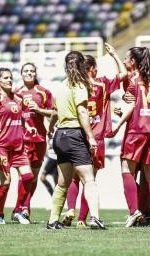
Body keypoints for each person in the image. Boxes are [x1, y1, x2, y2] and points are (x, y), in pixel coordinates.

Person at [62, 43, 127, 228]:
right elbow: (124, 75)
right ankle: (82, 219)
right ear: (91, 69)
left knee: (74, 178)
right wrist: (114, 54)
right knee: (90, 181)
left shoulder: (73, 85)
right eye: (95, 67)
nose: (97, 70)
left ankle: (70, 209)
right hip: (96, 137)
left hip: (76, 134)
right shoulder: (102, 84)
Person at [47, 51, 104, 230]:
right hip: (73, 134)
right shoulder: (79, 85)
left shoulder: (61, 85)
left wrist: (50, 128)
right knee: (89, 178)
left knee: (62, 183)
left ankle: (52, 221)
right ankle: (95, 217)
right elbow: (82, 112)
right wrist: (91, 136)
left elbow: (55, 112)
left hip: (60, 136)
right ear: (81, 65)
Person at [112, 47, 150, 227]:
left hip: (136, 130)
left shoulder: (134, 81)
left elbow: (131, 107)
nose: (126, 61)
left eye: (128, 58)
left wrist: (117, 125)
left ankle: (134, 211)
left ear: (134, 61)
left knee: (127, 170)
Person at [0, 67, 34, 225]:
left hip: (18, 146)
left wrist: (28, 127)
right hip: (0, 145)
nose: (10, 80)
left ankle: (18, 210)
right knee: (6, 181)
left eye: (11, 77)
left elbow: (21, 117)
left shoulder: (18, 98)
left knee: (28, 176)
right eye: (6, 78)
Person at [12, 63, 54, 224]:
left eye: (32, 71)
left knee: (34, 177)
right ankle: (22, 208)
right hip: (22, 139)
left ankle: (22, 207)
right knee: (25, 175)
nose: (29, 73)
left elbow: (53, 113)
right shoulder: (15, 93)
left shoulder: (43, 92)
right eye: (26, 71)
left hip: (39, 139)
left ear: (36, 73)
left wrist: (38, 110)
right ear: (21, 74)